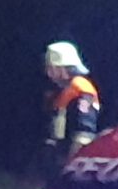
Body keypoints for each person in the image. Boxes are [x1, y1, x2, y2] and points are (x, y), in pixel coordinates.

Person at [38, 41, 102, 178]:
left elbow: (84, 134)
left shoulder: (82, 89)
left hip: (73, 159)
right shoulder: (61, 90)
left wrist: (72, 163)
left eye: (51, 68)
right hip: (59, 156)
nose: (48, 73)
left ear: (63, 68)